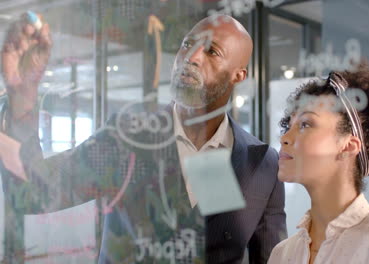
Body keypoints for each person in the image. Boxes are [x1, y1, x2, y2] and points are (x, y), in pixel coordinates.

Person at [0, 14, 286, 263]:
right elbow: (34, 195)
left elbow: (270, 258)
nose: (192, 57)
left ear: (239, 75)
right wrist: (22, 95)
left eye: (212, 51)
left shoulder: (262, 163)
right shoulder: (126, 137)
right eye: (188, 44)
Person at [267, 63, 369, 263]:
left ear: (348, 146)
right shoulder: (283, 254)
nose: (285, 138)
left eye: (306, 124)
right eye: (289, 126)